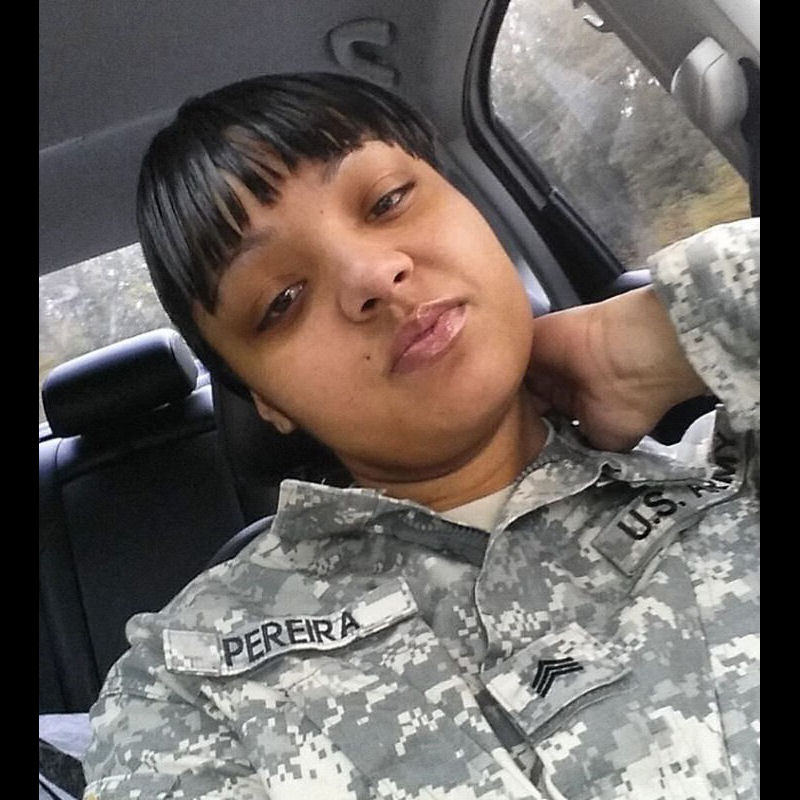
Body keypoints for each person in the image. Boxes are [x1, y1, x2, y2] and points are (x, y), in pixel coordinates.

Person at [81, 72, 759, 800]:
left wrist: (659, 333)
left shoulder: (731, 470)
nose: (373, 275)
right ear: (266, 402)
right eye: (282, 300)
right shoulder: (186, 683)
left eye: (387, 200)